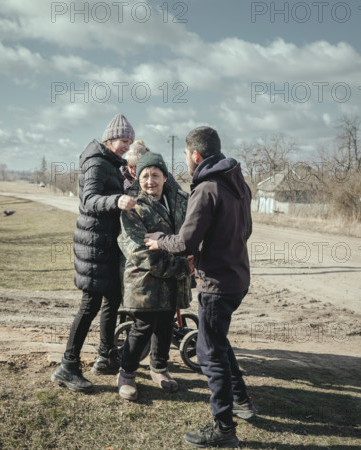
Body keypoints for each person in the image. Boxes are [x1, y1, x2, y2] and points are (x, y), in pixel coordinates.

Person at [144, 126, 256, 448]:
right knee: (217, 341)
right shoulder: (238, 183)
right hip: (237, 279)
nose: (186, 162)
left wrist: (158, 240)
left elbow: (185, 241)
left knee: (209, 355)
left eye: (185, 157)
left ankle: (223, 429)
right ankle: (243, 401)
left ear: (195, 155)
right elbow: (245, 230)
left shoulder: (207, 188)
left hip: (217, 286)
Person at [51, 114, 137, 393]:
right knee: (90, 304)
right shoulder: (97, 162)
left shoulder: (111, 163)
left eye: (130, 142)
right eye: (124, 141)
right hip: (93, 245)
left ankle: (106, 355)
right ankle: (67, 366)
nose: (127, 146)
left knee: (112, 298)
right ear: (110, 138)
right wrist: (117, 200)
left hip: (106, 244)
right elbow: (89, 199)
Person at [116, 152, 192, 401]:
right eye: (145, 176)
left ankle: (159, 368)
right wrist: (182, 267)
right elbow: (138, 251)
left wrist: (192, 259)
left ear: (165, 176)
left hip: (173, 282)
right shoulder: (133, 206)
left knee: (165, 325)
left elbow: (191, 236)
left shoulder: (182, 200)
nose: (150, 181)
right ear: (138, 178)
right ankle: (126, 373)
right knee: (143, 326)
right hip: (144, 280)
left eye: (155, 175)